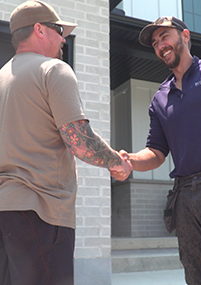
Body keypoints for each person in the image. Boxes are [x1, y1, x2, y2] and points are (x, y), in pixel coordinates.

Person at [0, 1, 132, 285]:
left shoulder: (1, 79)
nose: (63, 38)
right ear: (39, 30)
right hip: (41, 212)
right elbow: (80, 143)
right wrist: (117, 163)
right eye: (58, 29)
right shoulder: (53, 70)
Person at [111, 16, 201, 285]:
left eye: (165, 36)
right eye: (154, 42)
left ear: (184, 35)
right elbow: (156, 152)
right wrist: (129, 161)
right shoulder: (160, 98)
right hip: (185, 197)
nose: (160, 44)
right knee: (195, 277)